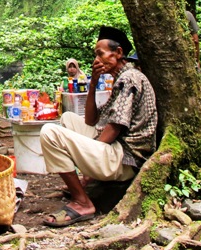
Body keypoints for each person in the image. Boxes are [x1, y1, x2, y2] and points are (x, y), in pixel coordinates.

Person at [41, 25, 157, 228]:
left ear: (118, 53)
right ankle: (86, 180)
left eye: (100, 54)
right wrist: (93, 82)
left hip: (126, 158)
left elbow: (114, 128)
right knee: (68, 118)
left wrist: (88, 171)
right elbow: (90, 120)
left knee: (49, 132)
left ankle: (82, 202)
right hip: (116, 148)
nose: (96, 60)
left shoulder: (129, 78)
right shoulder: (120, 78)